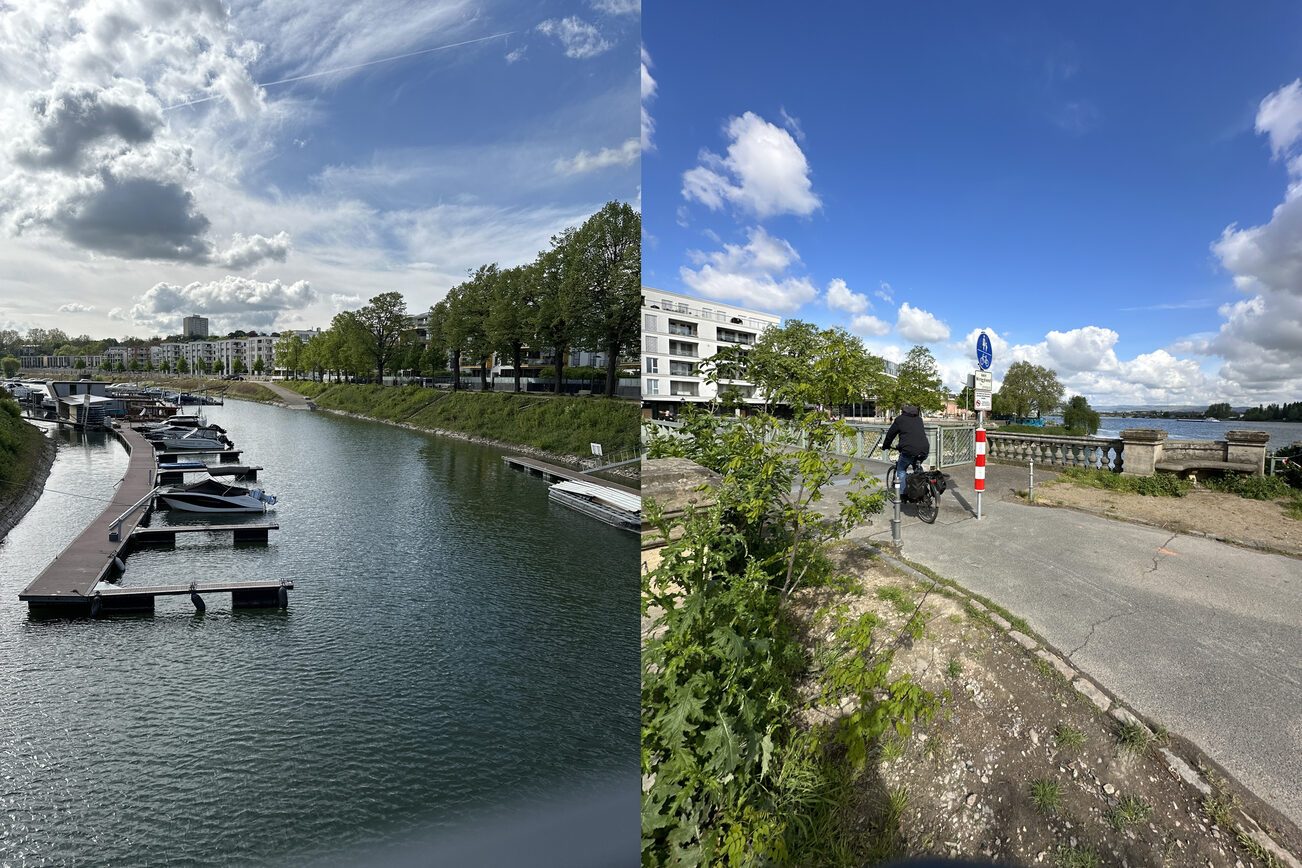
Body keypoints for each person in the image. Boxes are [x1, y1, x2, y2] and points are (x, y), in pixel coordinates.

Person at [882, 404, 929, 500]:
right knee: (918, 469)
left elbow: (891, 434)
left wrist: (885, 445)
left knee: (901, 469)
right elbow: (913, 435)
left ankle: (902, 494)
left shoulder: (900, 419)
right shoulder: (919, 419)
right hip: (924, 449)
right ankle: (923, 490)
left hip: (909, 451)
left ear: (903, 412)